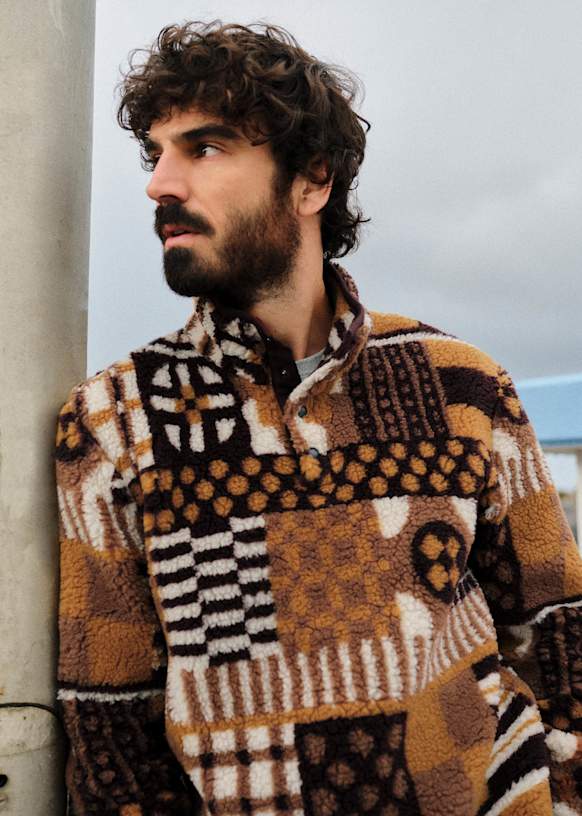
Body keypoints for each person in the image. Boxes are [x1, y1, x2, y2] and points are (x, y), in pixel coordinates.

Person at [54, 20, 582, 816]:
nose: (160, 183)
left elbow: (561, 630)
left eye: (204, 148)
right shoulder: (112, 422)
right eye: (155, 154)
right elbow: (109, 729)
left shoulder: (463, 387)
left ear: (313, 180)